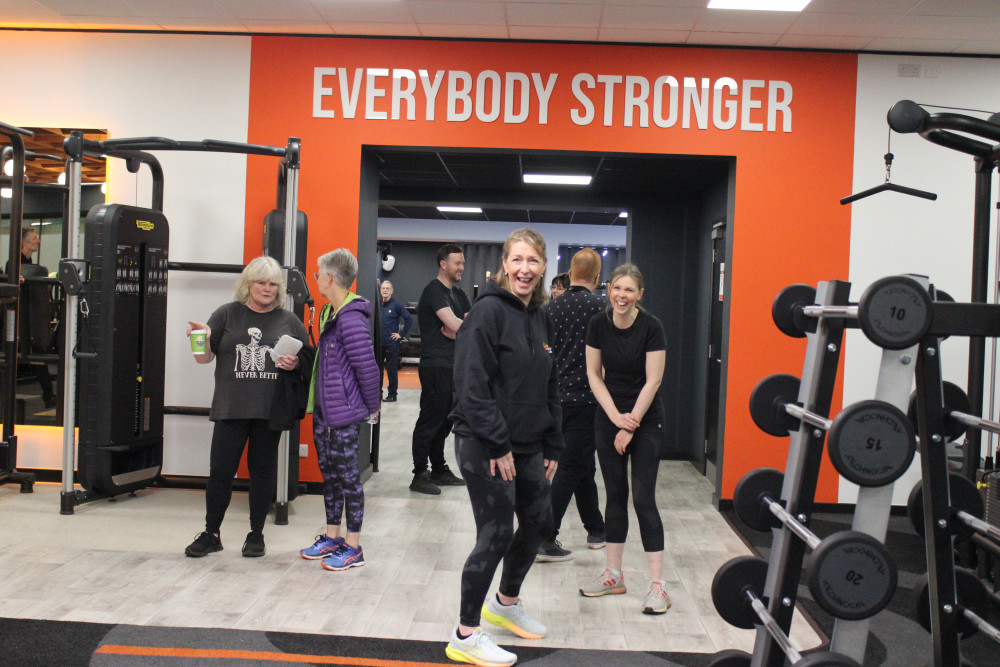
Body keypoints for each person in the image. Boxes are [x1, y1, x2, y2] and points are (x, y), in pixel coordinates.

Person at [445, 227, 562, 667]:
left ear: (544, 266)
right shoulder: (487, 313)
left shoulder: (540, 316)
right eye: (517, 260)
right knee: (495, 535)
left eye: (533, 261)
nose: (525, 270)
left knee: (538, 524)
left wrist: (553, 439)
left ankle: (506, 603)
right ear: (504, 264)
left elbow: (550, 381)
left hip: (530, 444)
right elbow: (471, 388)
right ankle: (465, 634)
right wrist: (497, 443)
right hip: (483, 442)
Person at [184, 256, 310, 559]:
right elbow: (204, 358)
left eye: (272, 284)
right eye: (260, 282)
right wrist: (198, 340)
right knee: (220, 472)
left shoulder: (288, 320)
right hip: (231, 408)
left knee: (262, 472)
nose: (266, 289)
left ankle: (256, 534)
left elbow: (308, 359)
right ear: (248, 285)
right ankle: (211, 533)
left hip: (269, 410)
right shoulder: (226, 315)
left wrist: (295, 362)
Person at [579, 263, 671, 615]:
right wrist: (615, 418)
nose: (621, 295)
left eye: (629, 290)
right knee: (615, 495)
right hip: (609, 417)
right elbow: (593, 374)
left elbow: (654, 381)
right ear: (609, 289)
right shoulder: (598, 325)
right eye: (616, 288)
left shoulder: (651, 327)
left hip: (645, 420)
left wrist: (629, 425)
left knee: (643, 498)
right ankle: (613, 575)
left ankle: (658, 587)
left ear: (639, 295)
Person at [299, 249, 381, 571]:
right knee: (330, 476)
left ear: (330, 277)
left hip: (344, 414)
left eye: (318, 274)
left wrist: (371, 410)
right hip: (325, 411)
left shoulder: (350, 318)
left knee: (348, 478)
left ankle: (353, 546)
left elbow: (368, 368)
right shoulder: (328, 313)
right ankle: (332, 536)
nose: (316, 278)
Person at [536, 249, 606, 562]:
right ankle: (544, 536)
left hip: (553, 399)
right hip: (587, 399)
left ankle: (596, 528)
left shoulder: (549, 308)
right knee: (572, 465)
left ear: (570, 272)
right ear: (598, 276)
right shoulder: (601, 308)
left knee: (581, 463)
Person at [409, 243, 471, 495]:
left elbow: (470, 325)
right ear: (443, 264)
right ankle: (419, 474)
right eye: (457, 263)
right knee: (430, 420)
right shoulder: (433, 291)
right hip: (436, 366)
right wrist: (459, 329)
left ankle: (438, 469)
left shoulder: (459, 294)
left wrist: (459, 332)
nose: (461, 268)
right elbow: (456, 324)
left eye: (463, 263)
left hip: (454, 365)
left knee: (445, 422)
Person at [6, 228, 55, 408]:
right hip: (21, 321)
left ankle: (48, 395)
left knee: (38, 355)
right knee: (33, 356)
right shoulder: (13, 263)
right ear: (25, 243)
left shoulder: (28, 263)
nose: (38, 241)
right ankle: (48, 395)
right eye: (34, 238)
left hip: (31, 320)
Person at [378, 280, 412, 402]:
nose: (385, 290)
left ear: (392, 291)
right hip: (379, 344)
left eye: (387, 288)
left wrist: (401, 335)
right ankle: (378, 394)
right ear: (380, 290)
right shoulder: (378, 304)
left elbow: (409, 319)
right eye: (383, 288)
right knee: (378, 371)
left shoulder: (396, 305)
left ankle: (392, 394)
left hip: (391, 344)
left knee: (391, 370)